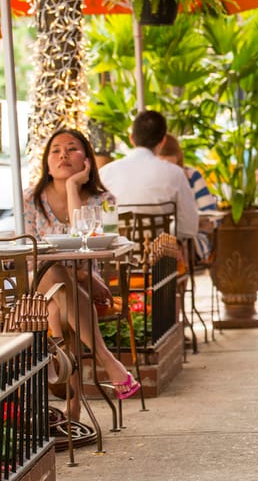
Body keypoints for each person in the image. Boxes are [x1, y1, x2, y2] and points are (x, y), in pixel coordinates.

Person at [23, 128, 141, 419]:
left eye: (72, 148)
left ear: (86, 158)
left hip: (78, 286)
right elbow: (30, 257)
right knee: (55, 275)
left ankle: (71, 404)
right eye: (55, 150)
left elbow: (86, 244)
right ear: (47, 164)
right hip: (41, 283)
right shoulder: (31, 200)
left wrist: (74, 188)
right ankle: (108, 361)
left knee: (61, 306)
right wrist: (86, 277)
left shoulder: (103, 199)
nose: (63, 154)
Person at [99, 110, 199, 242]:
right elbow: (189, 228)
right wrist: (166, 233)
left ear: (132, 138)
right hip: (160, 258)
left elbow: (98, 223)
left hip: (118, 257)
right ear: (163, 141)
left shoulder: (105, 172)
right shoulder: (175, 173)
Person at [157, 134, 218, 265]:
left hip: (189, 238)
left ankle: (174, 276)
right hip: (162, 239)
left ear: (178, 158)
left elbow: (212, 216)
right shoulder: (152, 180)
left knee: (174, 237)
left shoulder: (191, 176)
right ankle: (174, 277)